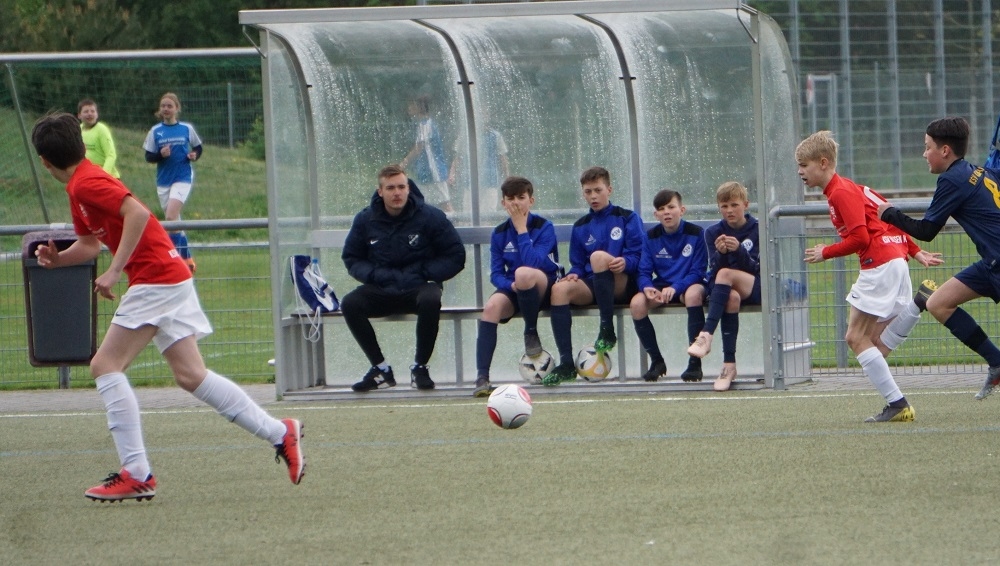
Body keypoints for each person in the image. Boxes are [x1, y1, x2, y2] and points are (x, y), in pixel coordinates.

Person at [29, 113, 304, 502]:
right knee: (191, 375)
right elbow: (90, 244)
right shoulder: (80, 187)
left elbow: (138, 214)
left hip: (156, 276)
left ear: (44, 161)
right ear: (80, 145)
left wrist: (115, 270)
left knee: (105, 365)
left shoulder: (87, 182)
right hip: (167, 274)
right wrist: (58, 259)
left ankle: (137, 472)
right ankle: (280, 432)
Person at [797, 130, 943, 422]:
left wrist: (826, 252)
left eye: (804, 165)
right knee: (874, 342)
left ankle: (898, 404)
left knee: (855, 337)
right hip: (895, 261)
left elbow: (861, 239)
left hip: (879, 265)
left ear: (823, 163)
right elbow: (888, 217)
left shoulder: (840, 192)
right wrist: (914, 251)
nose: (800, 171)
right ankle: (916, 306)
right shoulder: (853, 188)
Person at [879, 116, 1000, 401]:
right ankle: (996, 362)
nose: (924, 154)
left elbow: (927, 231)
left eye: (927, 147)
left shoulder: (952, 179)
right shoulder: (979, 171)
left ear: (945, 150)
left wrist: (889, 214)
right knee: (937, 303)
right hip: (991, 264)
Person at [341, 164, 466, 392]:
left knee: (431, 298)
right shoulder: (365, 219)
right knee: (350, 303)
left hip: (418, 287)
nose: (397, 193)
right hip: (382, 287)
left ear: (408, 188)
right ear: (380, 191)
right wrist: (375, 275)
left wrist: (425, 273)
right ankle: (380, 369)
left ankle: (420, 368)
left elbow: (455, 255)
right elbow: (352, 258)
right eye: (390, 188)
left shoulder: (430, 216)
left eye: (401, 187)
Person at [542, 166, 644, 385]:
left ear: (609, 190)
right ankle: (566, 364)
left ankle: (606, 329)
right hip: (594, 284)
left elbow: (640, 256)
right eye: (588, 192)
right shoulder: (581, 226)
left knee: (598, 257)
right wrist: (573, 274)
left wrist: (625, 262)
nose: (593, 196)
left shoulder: (627, 217)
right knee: (559, 289)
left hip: (622, 283)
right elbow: (578, 264)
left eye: (598, 190)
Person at [473, 176, 562, 396]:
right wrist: (509, 285)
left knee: (524, 273)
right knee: (491, 307)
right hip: (516, 287)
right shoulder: (499, 233)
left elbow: (534, 263)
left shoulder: (544, 227)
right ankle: (482, 377)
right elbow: (496, 274)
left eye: (521, 198)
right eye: (510, 199)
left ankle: (530, 331)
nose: (516, 203)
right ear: (503, 203)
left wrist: (522, 229)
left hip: (544, 286)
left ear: (531, 201)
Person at [686, 181, 760, 392]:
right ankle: (729, 366)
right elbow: (714, 268)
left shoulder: (758, 229)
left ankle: (705, 335)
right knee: (731, 298)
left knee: (726, 274)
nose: (729, 210)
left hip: (753, 284)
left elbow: (757, 268)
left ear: (746, 204)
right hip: (724, 288)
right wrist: (722, 253)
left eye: (734, 205)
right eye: (724, 206)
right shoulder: (713, 232)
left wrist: (739, 251)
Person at [629, 189, 708, 382]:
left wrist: (677, 287)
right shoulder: (650, 237)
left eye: (671, 207)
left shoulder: (697, 233)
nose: (666, 212)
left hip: (689, 283)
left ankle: (695, 363)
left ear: (682, 210)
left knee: (693, 295)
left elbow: (698, 271)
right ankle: (657, 361)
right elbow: (643, 271)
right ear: (656, 214)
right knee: (637, 303)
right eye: (661, 209)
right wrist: (647, 287)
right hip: (663, 286)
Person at [143, 92, 202, 273]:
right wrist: (160, 155)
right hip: (164, 181)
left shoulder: (186, 128)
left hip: (182, 177)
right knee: (175, 222)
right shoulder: (155, 131)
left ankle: (173, 261)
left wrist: (194, 155)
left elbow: (198, 148)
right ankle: (187, 260)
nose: (166, 109)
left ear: (177, 108)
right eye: (163, 106)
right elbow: (148, 156)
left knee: (170, 217)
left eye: (169, 106)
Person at [401, 96, 453, 214]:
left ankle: (457, 223)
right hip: (425, 173)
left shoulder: (426, 124)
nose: (409, 108)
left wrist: (402, 165)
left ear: (419, 107)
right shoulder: (422, 124)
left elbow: (418, 148)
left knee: (445, 203)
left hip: (434, 172)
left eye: (412, 105)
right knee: (424, 204)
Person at [77, 99, 120, 178]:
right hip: (87, 176)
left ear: (97, 114)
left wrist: (103, 175)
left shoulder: (101, 130)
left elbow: (111, 155)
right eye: (86, 111)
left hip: (106, 178)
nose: (90, 114)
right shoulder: (78, 130)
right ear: (79, 115)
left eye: (92, 111)